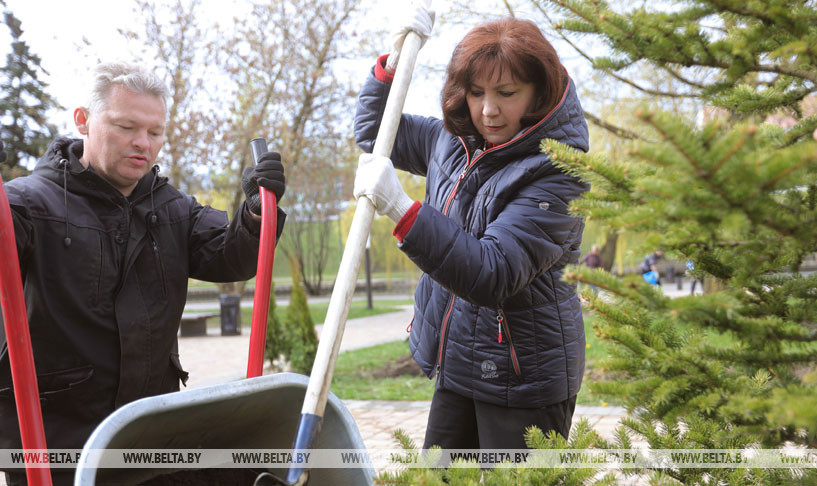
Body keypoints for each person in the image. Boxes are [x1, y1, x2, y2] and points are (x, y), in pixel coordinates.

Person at [0, 62, 285, 485]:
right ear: (83, 120)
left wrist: (259, 213)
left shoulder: (172, 209)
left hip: (150, 430)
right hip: (56, 437)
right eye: (126, 126)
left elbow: (232, 258)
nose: (142, 144)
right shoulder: (27, 205)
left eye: (155, 132)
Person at [353, 13, 589, 453]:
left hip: (525, 379)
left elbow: (492, 271)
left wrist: (404, 211)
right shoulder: (455, 140)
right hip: (461, 363)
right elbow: (375, 132)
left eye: (506, 93)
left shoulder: (558, 171)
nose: (487, 110)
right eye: (476, 92)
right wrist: (391, 63)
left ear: (539, 93)